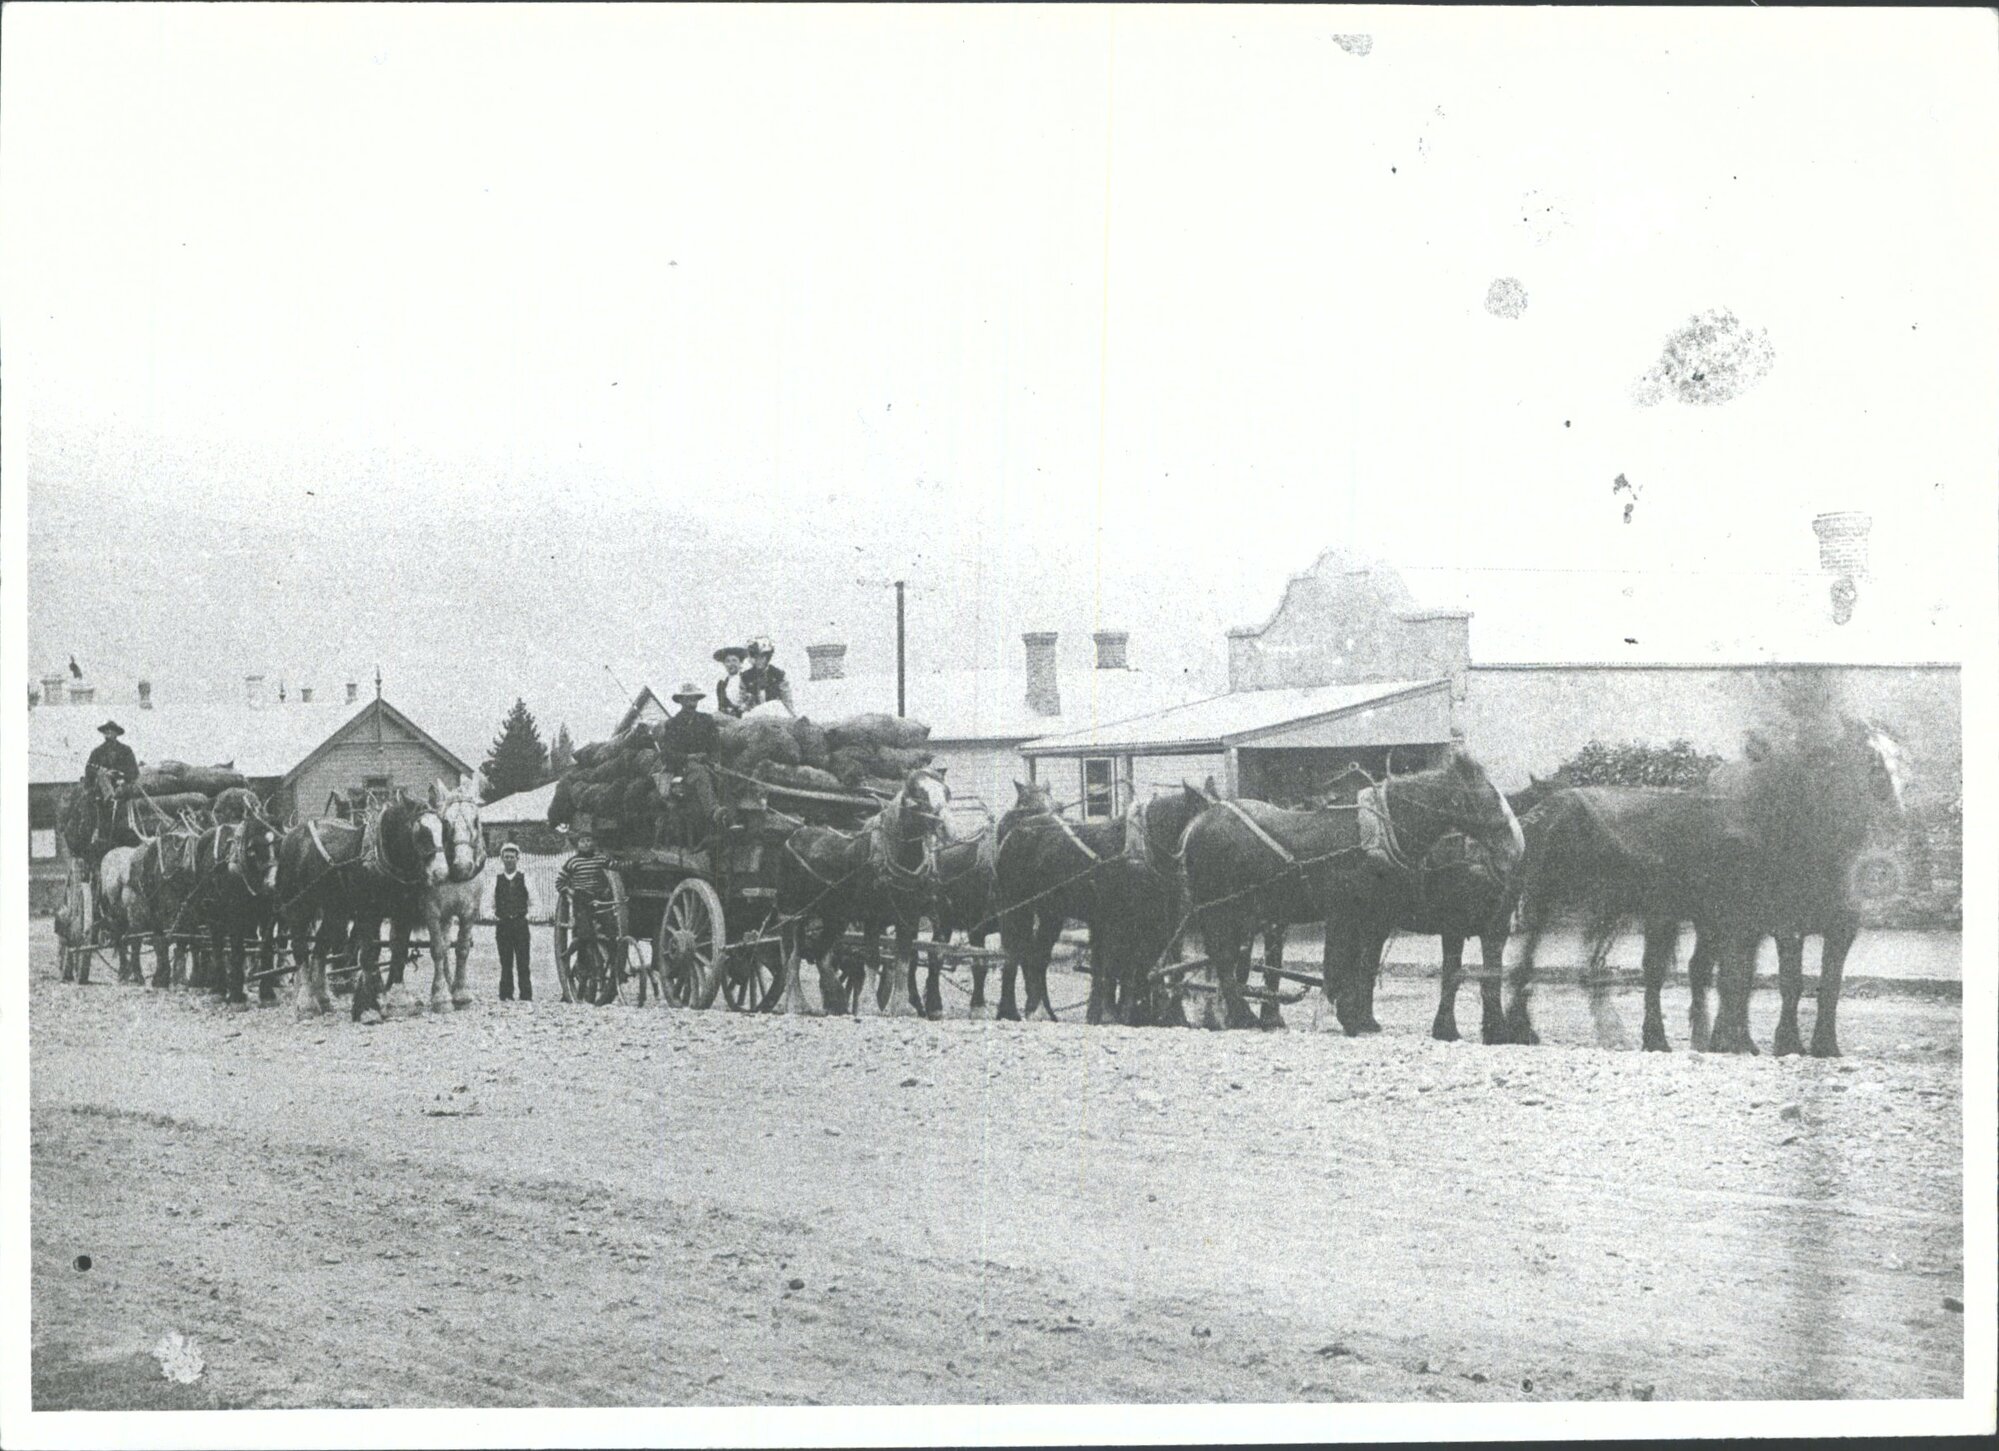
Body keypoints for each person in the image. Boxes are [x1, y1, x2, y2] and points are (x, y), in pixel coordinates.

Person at [491, 842, 534, 1001]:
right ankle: (506, 994)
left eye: (512, 857)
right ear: (502, 859)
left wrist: (528, 916)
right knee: (505, 961)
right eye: (506, 857)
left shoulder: (525, 878)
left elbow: (534, 901)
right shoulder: (496, 879)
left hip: (520, 924)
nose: (509, 860)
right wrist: (494, 915)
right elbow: (488, 903)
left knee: (523, 961)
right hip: (503, 925)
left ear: (517, 859)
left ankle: (526, 995)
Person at [84, 720, 139, 840]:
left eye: (111, 731)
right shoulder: (97, 752)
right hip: (102, 791)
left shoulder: (126, 751)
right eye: (105, 731)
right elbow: (89, 769)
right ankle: (97, 832)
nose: (108, 733)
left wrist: (121, 776)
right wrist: (102, 773)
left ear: (116, 734)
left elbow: (134, 772)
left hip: (122, 786)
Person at [656, 682, 721, 766]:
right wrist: (689, 757)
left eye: (695, 698)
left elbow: (715, 745)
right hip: (683, 768)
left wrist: (716, 761)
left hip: (707, 765)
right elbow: (667, 754)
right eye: (688, 698)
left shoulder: (706, 719)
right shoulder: (672, 724)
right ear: (680, 700)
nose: (692, 702)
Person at [739, 636, 794, 715]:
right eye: (755, 656)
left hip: (775, 715)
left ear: (768, 657)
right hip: (753, 716)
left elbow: (787, 701)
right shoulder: (745, 677)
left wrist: (792, 717)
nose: (759, 660)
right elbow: (741, 700)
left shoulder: (779, 676)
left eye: (762, 656)